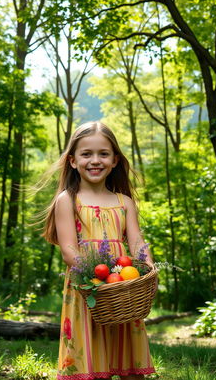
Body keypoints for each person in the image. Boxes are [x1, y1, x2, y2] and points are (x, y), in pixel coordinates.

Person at [43, 121, 156, 380]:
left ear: (115, 160)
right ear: (72, 161)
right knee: (89, 359)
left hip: (122, 289)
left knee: (128, 356)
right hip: (87, 287)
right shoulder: (67, 200)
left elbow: (137, 242)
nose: (95, 160)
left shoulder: (124, 202)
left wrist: (146, 267)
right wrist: (97, 277)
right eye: (86, 154)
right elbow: (69, 251)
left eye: (103, 154)